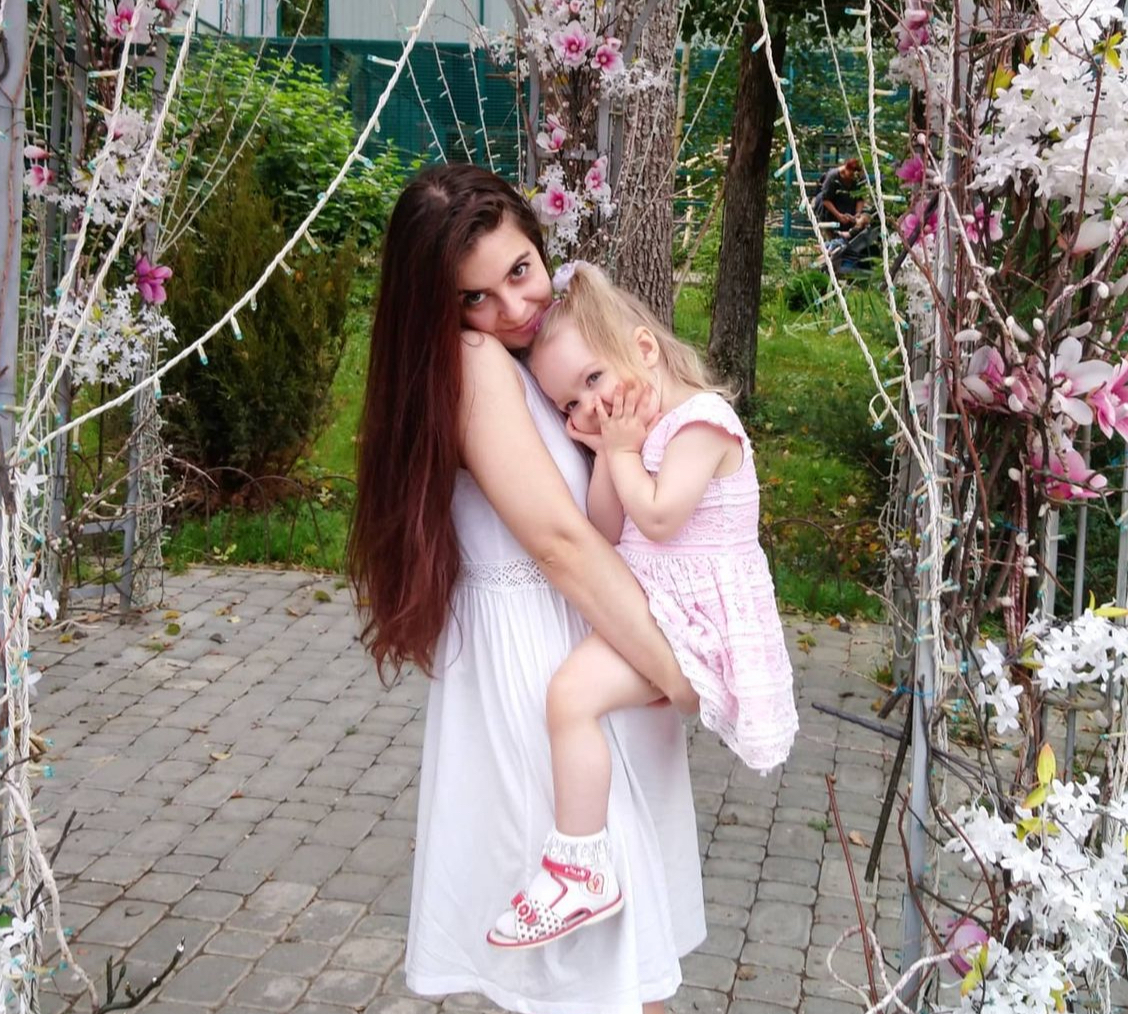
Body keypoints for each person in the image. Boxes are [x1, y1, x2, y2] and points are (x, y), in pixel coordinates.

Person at [347, 164, 706, 1014]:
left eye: (520, 270)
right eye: (474, 296)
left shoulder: (529, 356)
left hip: (579, 662)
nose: (513, 307)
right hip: (542, 677)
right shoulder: (473, 361)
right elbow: (557, 543)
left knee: (622, 984)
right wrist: (679, 670)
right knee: (604, 987)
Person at [487, 263, 798, 950]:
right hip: (657, 611)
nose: (588, 409)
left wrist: (622, 451)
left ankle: (579, 869)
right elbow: (605, 528)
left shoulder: (702, 423)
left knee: (569, 697)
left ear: (645, 349)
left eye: (594, 380)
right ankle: (585, 861)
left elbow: (657, 517)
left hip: (697, 626)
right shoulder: (626, 438)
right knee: (571, 699)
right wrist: (608, 454)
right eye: (569, 404)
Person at [814, 157, 868, 233]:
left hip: (849, 214)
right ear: (846, 169)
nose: (852, 178)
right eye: (851, 175)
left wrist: (858, 213)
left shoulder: (858, 178)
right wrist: (838, 215)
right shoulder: (833, 177)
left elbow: (860, 198)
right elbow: (825, 199)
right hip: (830, 213)